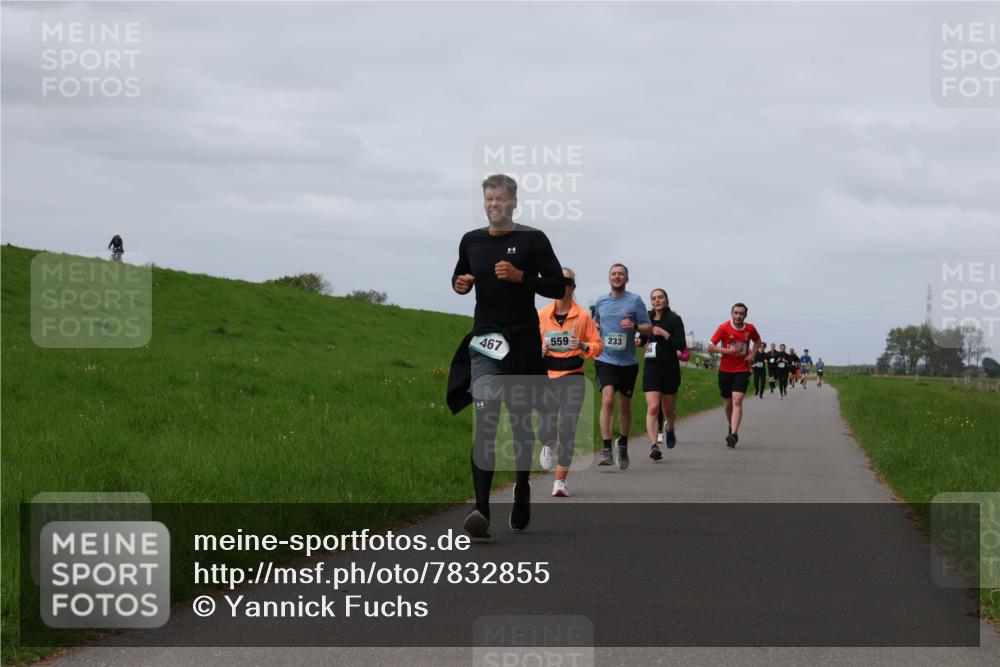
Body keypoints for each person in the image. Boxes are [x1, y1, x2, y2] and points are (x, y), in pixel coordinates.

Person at [448, 174, 566, 538]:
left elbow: (557, 285)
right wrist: (459, 284)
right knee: (486, 421)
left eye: (500, 199)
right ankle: (481, 509)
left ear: (513, 203)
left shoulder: (533, 239)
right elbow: (459, 275)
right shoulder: (471, 240)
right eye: (489, 199)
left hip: (523, 343)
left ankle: (522, 486)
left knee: (519, 422)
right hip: (486, 342)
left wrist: (521, 277)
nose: (493, 205)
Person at [537, 267, 604, 496]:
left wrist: (584, 346)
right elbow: (531, 344)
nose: (562, 284)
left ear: (573, 286)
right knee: (546, 427)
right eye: (558, 280)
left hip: (573, 376)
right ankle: (548, 444)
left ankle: (560, 481)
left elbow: (598, 346)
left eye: (567, 281)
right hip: (548, 376)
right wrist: (539, 349)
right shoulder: (542, 315)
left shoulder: (583, 317)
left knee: (568, 428)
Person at [593, 263, 652, 469]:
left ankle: (623, 444)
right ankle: (606, 449)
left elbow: (649, 328)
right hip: (605, 359)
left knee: (625, 405)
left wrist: (634, 326)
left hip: (627, 362)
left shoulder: (635, 300)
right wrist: (595, 327)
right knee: (608, 400)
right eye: (614, 274)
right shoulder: (601, 301)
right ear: (609, 277)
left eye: (621, 274)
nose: (617, 277)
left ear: (627, 279)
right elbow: (596, 322)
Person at [638, 289, 687, 460]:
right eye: (654, 298)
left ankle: (670, 428)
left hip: (669, 369)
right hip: (651, 368)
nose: (657, 300)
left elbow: (681, 345)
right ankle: (654, 446)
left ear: (666, 299)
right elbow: (643, 340)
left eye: (660, 297)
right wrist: (638, 340)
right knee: (653, 407)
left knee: (668, 410)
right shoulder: (647, 319)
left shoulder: (674, 319)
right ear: (651, 302)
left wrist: (665, 334)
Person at [707, 303, 761, 448]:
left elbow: (757, 341)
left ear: (745, 315)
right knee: (727, 404)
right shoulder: (724, 327)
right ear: (731, 313)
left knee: (737, 401)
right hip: (725, 370)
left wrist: (752, 355)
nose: (738, 316)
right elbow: (710, 347)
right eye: (735, 313)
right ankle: (731, 425)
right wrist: (727, 351)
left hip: (742, 370)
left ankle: (733, 434)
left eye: (741, 313)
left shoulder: (750, 328)